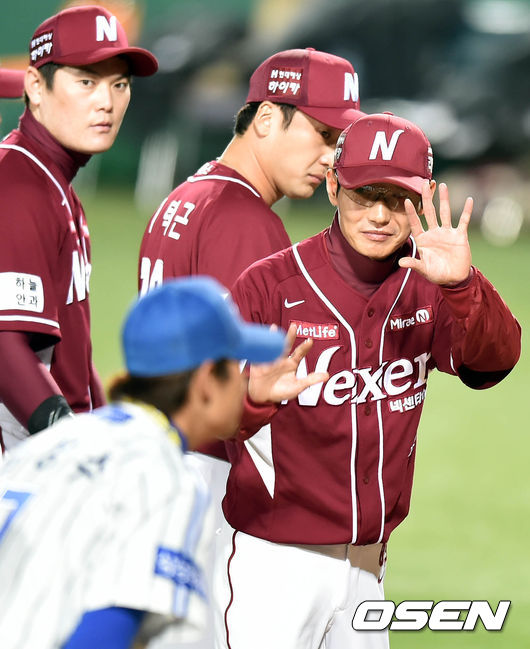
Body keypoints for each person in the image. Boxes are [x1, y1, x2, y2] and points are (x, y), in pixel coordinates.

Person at [215, 112, 522, 649]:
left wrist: (463, 287)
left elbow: (492, 364)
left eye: (397, 197)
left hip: (368, 569)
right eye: (364, 194)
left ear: (424, 197)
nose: (379, 215)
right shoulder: (269, 286)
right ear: (333, 186)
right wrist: (252, 400)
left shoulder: (431, 282)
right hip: (272, 565)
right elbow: (209, 415)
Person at [0, 276, 295, 649]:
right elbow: (102, 637)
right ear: (207, 380)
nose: (243, 381)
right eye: (236, 366)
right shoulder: (163, 477)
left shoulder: (50, 446)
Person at [0, 5, 158, 452]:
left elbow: (75, 357)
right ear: (36, 87)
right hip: (23, 468)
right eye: (87, 82)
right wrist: (75, 447)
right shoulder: (17, 187)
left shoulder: (53, 184)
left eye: (119, 84)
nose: (106, 102)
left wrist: (102, 432)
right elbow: (5, 344)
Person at [138, 47, 363, 295]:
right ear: (266, 119)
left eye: (339, 143)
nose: (331, 159)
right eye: (324, 134)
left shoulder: (182, 198)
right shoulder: (245, 221)